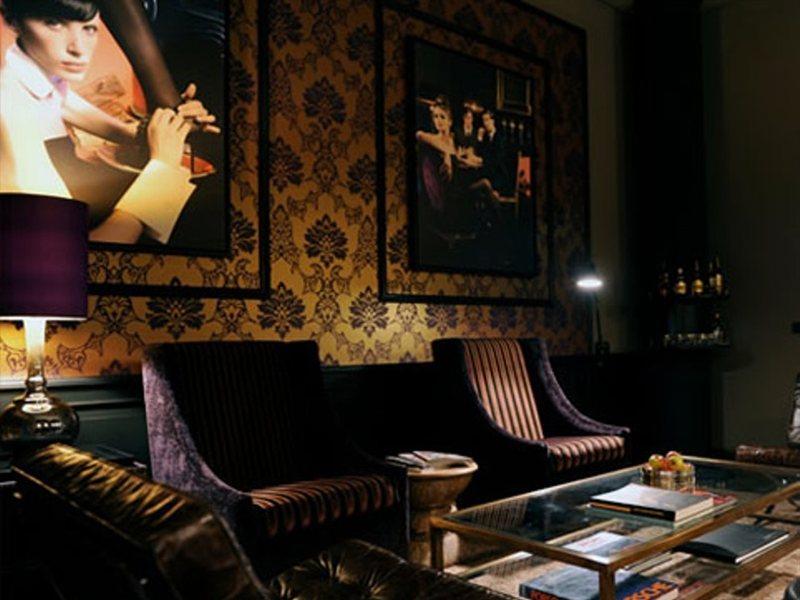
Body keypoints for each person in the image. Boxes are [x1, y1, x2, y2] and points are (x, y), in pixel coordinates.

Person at [0, 0, 217, 244]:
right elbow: (71, 253)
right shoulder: (11, 117)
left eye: (88, 28)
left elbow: (68, 106)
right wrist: (163, 168)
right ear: (12, 21)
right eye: (54, 23)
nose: (78, 49)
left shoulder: (32, 79)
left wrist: (164, 128)